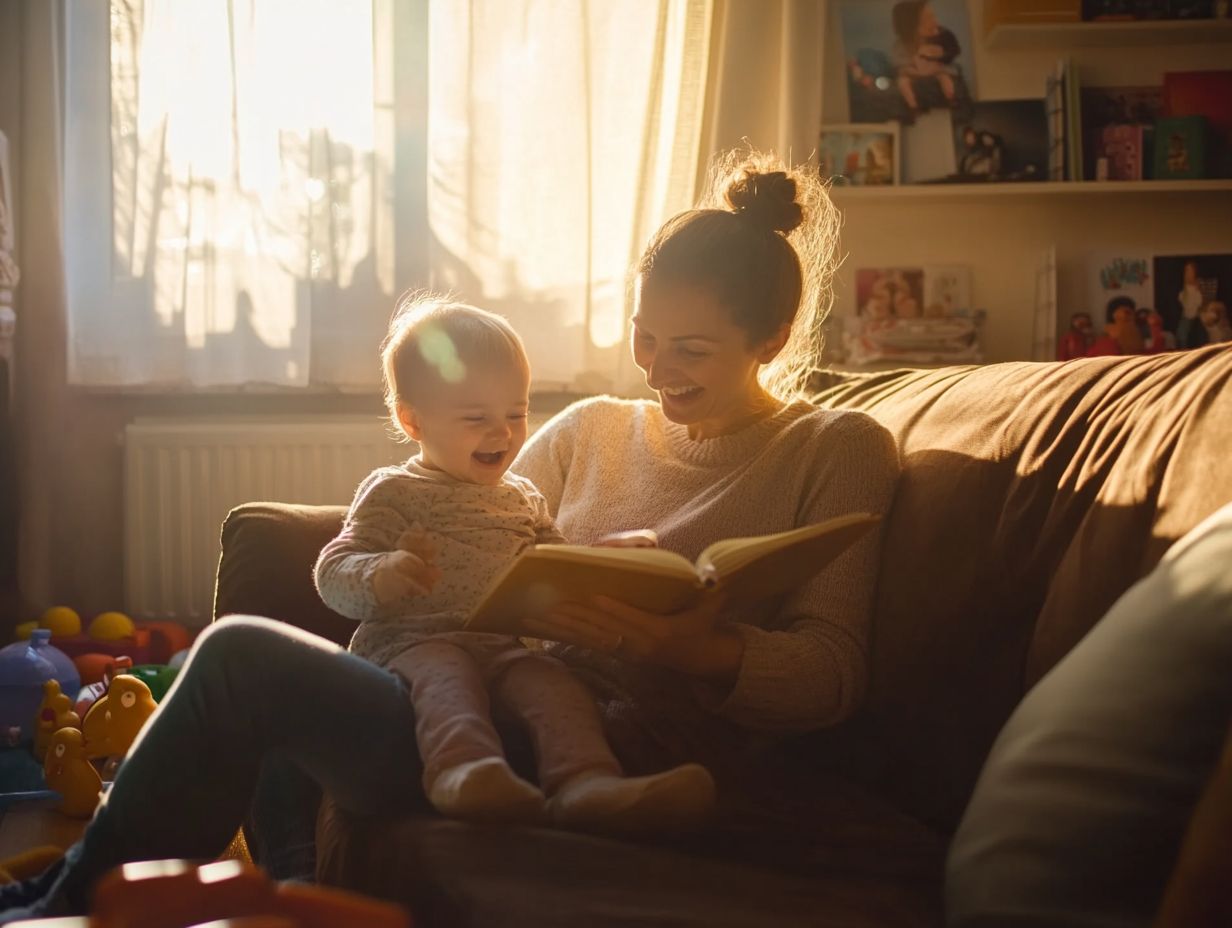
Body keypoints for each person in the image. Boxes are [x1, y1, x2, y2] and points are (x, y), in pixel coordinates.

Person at [0, 150, 898, 922]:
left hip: (613, 742)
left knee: (241, 662)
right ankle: (93, 906)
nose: (657, 370)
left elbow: (834, 673)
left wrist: (698, 649)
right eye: (645, 337)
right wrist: (398, 567)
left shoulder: (837, 450)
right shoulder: (592, 429)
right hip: (468, 708)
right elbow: (460, 506)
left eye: (691, 351)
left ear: (773, 338)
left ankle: (66, 911)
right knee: (254, 661)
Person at [314, 296, 714, 829]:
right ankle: (464, 772)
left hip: (503, 647)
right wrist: (381, 573)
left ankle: (587, 783)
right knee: (447, 678)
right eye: (476, 418)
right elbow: (332, 570)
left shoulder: (522, 495)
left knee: (555, 685)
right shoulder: (395, 491)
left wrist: (604, 556)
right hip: (412, 646)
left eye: (516, 414)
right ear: (413, 421)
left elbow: (555, 563)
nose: (502, 434)